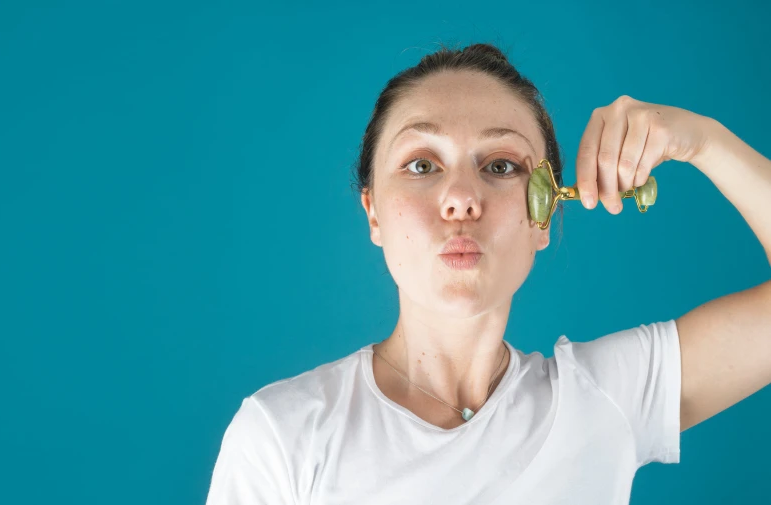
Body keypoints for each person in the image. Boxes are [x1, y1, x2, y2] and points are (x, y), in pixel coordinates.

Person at [205, 42, 771, 504]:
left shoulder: (605, 401)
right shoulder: (281, 436)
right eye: (421, 164)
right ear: (373, 210)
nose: (459, 199)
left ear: (544, 213)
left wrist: (703, 140)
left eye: (500, 165)